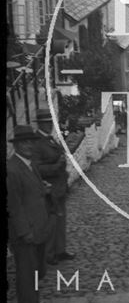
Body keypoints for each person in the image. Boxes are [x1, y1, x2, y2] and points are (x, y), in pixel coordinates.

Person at [7, 125, 52, 303]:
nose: (29, 146)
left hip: (38, 225)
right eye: (24, 143)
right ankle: (28, 302)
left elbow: (34, 189)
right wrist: (24, 231)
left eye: (32, 142)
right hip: (26, 230)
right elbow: (14, 206)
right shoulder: (12, 170)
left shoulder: (30, 164)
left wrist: (44, 188)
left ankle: (31, 297)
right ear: (16, 145)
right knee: (27, 268)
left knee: (36, 267)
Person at [32, 108, 75, 265]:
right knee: (50, 222)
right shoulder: (37, 143)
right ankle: (49, 254)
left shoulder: (51, 139)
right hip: (49, 188)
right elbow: (36, 168)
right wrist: (56, 166)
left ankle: (60, 250)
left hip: (60, 186)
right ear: (40, 125)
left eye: (50, 122)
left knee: (61, 220)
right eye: (46, 123)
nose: (49, 125)